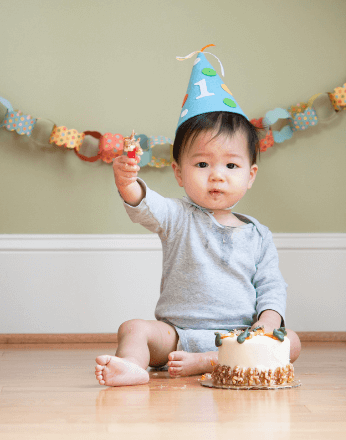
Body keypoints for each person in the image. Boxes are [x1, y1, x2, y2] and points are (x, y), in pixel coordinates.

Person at [94, 49, 301, 387]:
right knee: (132, 328)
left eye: (231, 165)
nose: (216, 176)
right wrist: (126, 182)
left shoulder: (258, 235)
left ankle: (206, 361)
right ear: (178, 172)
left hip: (239, 338)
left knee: (290, 340)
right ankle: (131, 365)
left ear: (250, 175)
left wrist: (267, 322)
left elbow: (271, 285)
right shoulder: (177, 215)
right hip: (175, 335)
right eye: (202, 164)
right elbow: (144, 205)